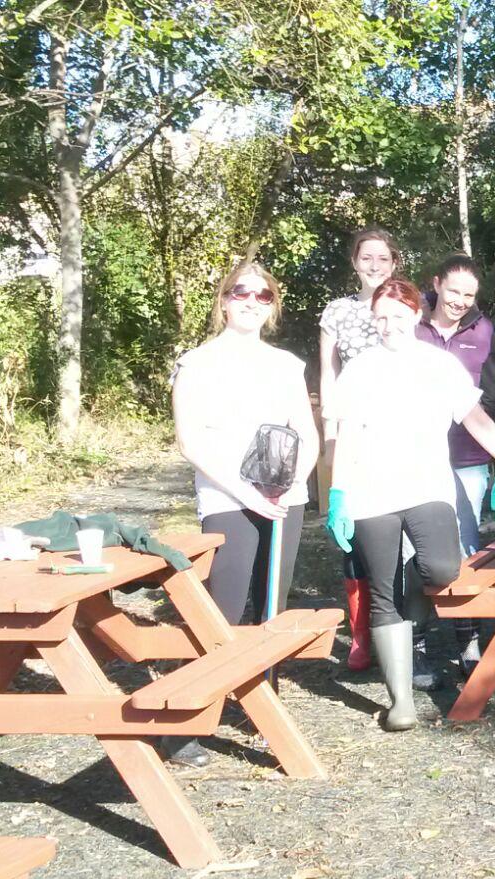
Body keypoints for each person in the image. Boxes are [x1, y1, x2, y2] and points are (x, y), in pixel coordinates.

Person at [325, 278, 495, 732]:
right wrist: (339, 494)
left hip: (428, 488)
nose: (389, 325)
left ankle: (411, 599)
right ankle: (401, 703)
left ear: (416, 314)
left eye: (397, 316)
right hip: (371, 493)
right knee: (383, 593)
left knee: (441, 569)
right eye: (380, 317)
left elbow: (476, 418)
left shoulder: (439, 364)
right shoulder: (360, 370)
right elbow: (347, 434)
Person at [168, 262, 319, 767]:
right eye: (241, 292)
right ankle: (187, 720)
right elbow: (190, 441)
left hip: (283, 498)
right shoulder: (197, 363)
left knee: (272, 608)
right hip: (227, 499)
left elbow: (307, 432)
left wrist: (295, 483)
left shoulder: (286, 364)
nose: (251, 301)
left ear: (272, 305)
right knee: (222, 609)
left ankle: (261, 706)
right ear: (224, 300)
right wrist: (244, 494)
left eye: (263, 294)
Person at [415, 254, 495, 676]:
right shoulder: (411, 323)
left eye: (469, 295)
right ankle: (416, 643)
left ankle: (467, 640)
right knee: (414, 550)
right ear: (437, 283)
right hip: (415, 460)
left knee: (466, 548)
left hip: (468, 457)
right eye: (453, 290)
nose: (459, 301)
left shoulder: (484, 330)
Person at [318, 226, 399, 674]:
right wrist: (330, 434)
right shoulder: (337, 311)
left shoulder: (405, 303)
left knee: (401, 531)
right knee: (352, 532)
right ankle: (361, 634)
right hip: (354, 435)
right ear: (354, 262)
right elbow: (328, 375)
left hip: (400, 434)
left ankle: (400, 627)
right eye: (366, 257)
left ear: (394, 263)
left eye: (382, 258)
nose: (374, 265)